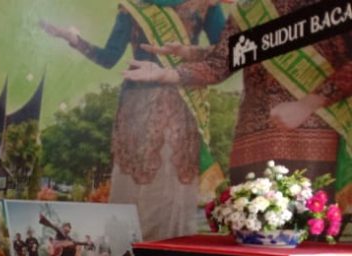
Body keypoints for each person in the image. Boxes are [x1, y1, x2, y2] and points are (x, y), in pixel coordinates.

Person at [124, 0, 352, 200]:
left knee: (310, 228)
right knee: (249, 227)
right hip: (251, 143)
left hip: (316, 140)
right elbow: (220, 63)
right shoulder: (248, 10)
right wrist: (168, 74)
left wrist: (308, 104)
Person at [41, 1, 230, 240]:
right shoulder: (132, 7)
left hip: (178, 106)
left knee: (171, 189)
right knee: (133, 188)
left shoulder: (206, 4)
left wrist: (186, 53)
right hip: (135, 110)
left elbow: (226, 53)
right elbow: (109, 57)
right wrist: (74, 39)